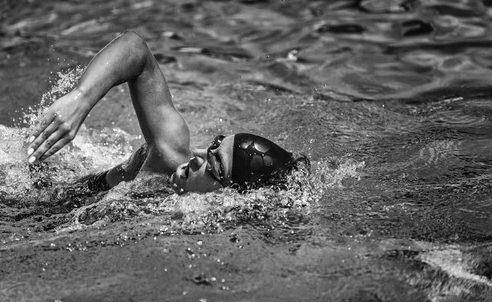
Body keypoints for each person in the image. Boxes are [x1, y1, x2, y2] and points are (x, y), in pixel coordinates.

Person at [26, 31, 309, 194]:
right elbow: (136, 51)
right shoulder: (170, 157)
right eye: (212, 147)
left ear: (230, 194)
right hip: (42, 201)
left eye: (213, 168)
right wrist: (81, 98)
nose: (195, 158)